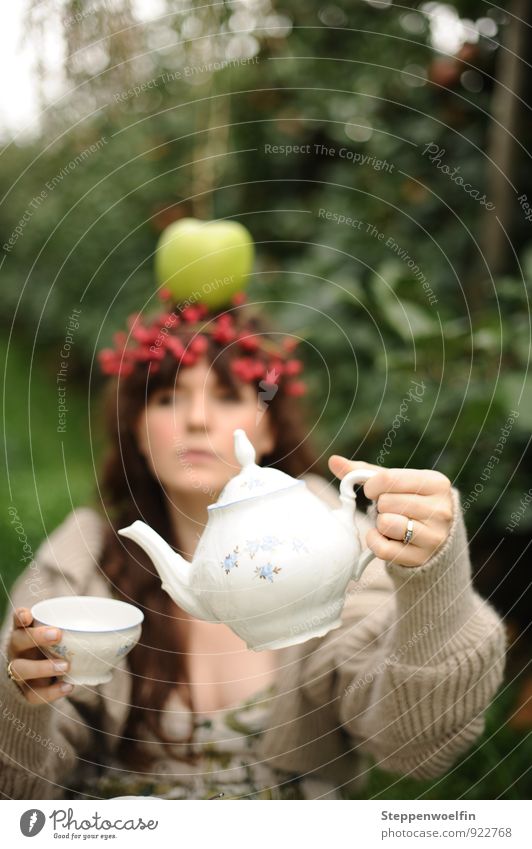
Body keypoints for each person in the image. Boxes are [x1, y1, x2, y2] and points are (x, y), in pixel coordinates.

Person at [0, 289, 506, 800]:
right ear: (135, 428)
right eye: (169, 397)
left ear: (266, 429)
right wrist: (20, 699)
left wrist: (432, 581)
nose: (197, 420)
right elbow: (19, 796)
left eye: (226, 396)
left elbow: (415, 747)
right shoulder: (81, 563)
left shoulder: (332, 544)